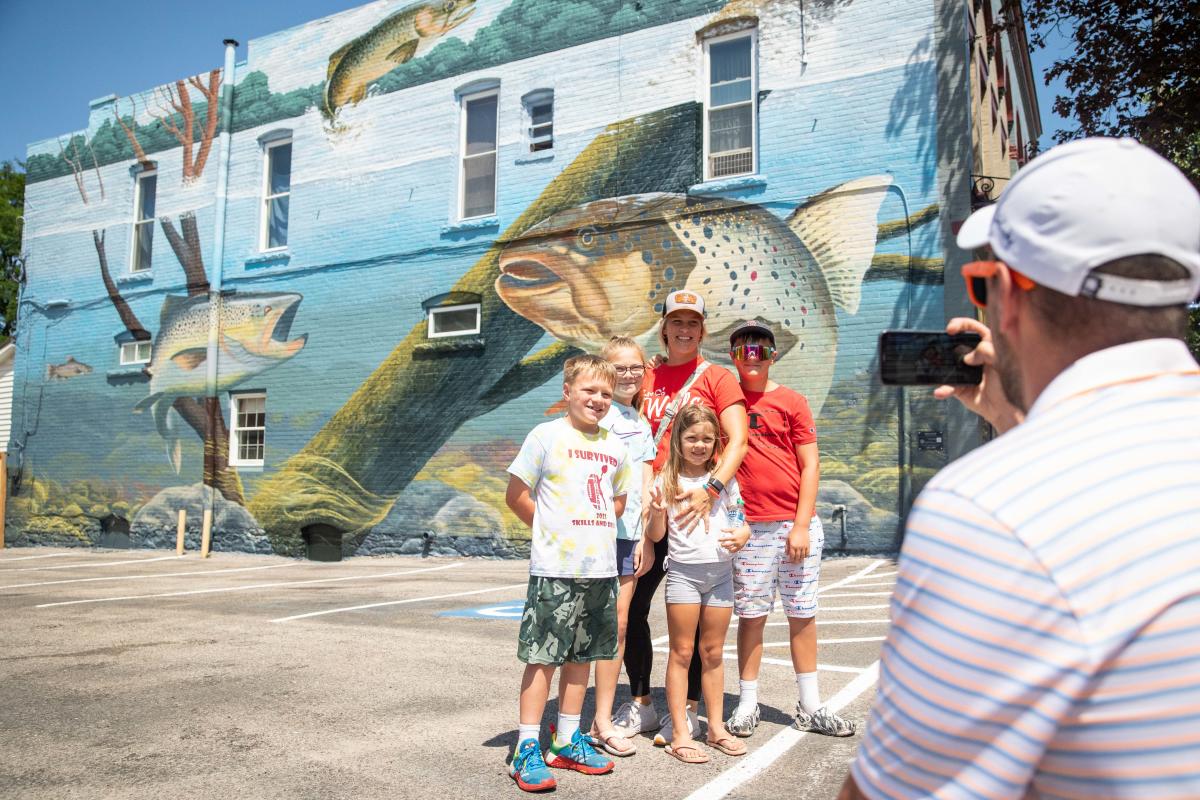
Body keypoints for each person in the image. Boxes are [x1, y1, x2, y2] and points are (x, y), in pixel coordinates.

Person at [840, 138, 1200, 799]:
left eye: (981, 285)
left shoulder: (992, 509)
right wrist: (1016, 422)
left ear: (1005, 297)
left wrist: (1018, 449)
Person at [614, 290, 750, 744]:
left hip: (693, 508)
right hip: (645, 508)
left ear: (702, 330)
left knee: (694, 618)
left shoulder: (718, 377)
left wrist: (711, 491)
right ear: (665, 328)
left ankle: (688, 710)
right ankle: (641, 703)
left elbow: (737, 440)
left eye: (693, 322)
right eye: (677, 322)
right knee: (631, 607)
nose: (685, 329)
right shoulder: (647, 375)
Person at [505, 354, 635, 793]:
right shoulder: (546, 436)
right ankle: (526, 746)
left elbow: (617, 501)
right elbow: (516, 493)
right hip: (555, 570)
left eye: (605, 393)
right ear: (567, 393)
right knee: (543, 658)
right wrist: (550, 530)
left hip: (599, 571)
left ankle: (564, 739)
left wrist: (591, 523)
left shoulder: (616, 446)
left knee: (581, 657)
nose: (598, 400)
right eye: (589, 391)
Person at [723, 320, 856, 739]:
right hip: (749, 531)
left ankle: (811, 705)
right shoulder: (725, 403)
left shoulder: (793, 401)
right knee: (752, 616)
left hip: (794, 528)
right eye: (744, 350)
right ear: (732, 356)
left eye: (760, 349)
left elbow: (810, 465)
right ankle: (747, 704)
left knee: (802, 615)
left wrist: (800, 525)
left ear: (774, 355)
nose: (752, 356)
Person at [644, 403, 751, 763]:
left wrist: (744, 534)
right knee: (682, 653)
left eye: (707, 439)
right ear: (679, 440)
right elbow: (658, 534)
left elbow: (740, 520)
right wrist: (657, 512)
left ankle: (716, 728)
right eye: (692, 438)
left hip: (721, 576)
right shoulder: (667, 481)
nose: (699, 445)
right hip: (684, 577)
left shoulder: (725, 480)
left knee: (713, 654)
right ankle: (679, 733)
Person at [587, 336, 657, 757]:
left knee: (618, 627)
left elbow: (646, 482)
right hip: (592, 534)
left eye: (636, 367)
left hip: (628, 538)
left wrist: (646, 536)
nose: (629, 374)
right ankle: (575, 720)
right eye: (620, 367)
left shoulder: (639, 420)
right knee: (586, 628)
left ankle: (603, 719)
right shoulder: (595, 413)